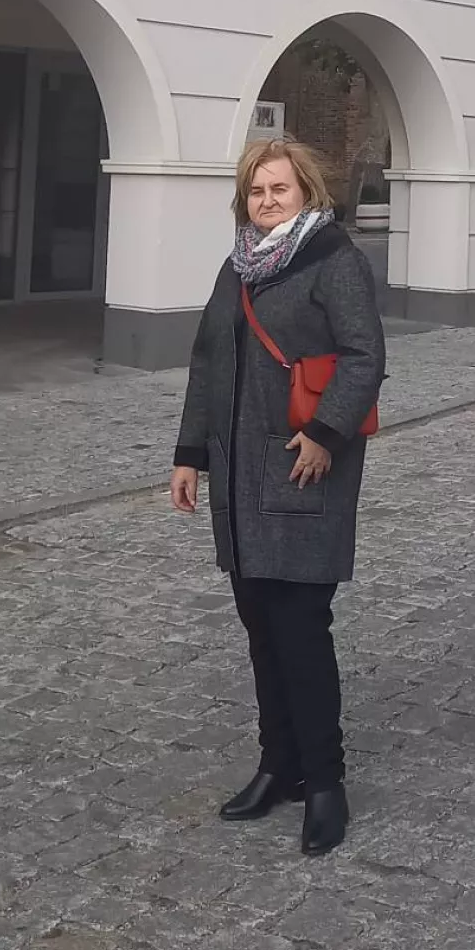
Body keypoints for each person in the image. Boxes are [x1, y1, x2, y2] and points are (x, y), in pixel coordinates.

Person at [169, 138, 385, 856]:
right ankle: (278, 765)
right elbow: (207, 362)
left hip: (302, 468)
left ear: (306, 193)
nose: (266, 201)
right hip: (240, 478)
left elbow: (364, 355)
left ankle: (325, 782)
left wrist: (324, 433)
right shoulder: (237, 267)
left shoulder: (333, 260)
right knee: (261, 627)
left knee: (300, 630)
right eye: (256, 192)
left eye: (278, 189)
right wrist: (190, 455)